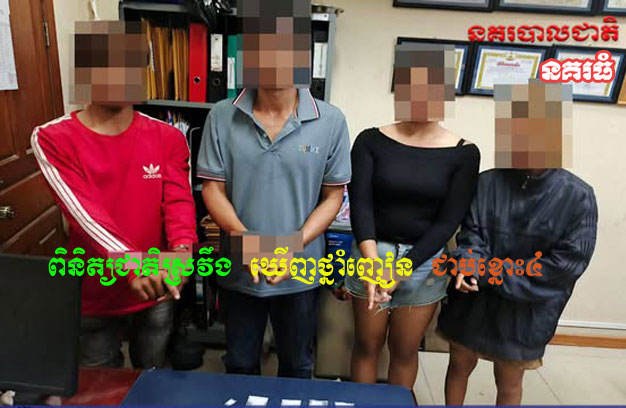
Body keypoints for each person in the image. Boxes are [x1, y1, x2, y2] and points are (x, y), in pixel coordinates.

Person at [197, 0, 351, 378]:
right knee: (240, 363)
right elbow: (212, 189)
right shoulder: (221, 116)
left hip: (301, 266)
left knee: (297, 365)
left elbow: (333, 196)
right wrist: (247, 240)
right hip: (239, 265)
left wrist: (294, 244)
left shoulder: (330, 121)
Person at [31, 21, 197, 368]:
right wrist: (133, 264)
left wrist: (182, 254)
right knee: (101, 386)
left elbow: (179, 203)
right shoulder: (53, 138)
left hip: (158, 287)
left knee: (151, 378)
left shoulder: (168, 137)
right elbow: (85, 214)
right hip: (96, 292)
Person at [437, 79, 598, 405]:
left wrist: (488, 272)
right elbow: (471, 233)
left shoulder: (578, 196)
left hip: (526, 308)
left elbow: (562, 267)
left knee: (508, 382)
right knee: (458, 366)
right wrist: (468, 265)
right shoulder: (487, 182)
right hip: (473, 300)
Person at [346, 43, 480, 388]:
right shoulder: (369, 141)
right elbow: (361, 205)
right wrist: (374, 263)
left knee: (405, 350)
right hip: (371, 252)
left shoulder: (464, 153)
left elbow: (447, 222)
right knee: (366, 345)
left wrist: (402, 267)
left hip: (424, 259)